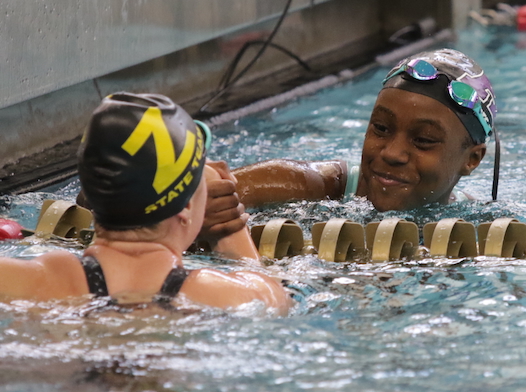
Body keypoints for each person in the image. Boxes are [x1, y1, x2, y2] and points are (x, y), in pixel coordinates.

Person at [0, 93, 291, 315]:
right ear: (187, 207)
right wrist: (231, 230)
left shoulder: (33, 279)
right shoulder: (216, 293)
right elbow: (275, 295)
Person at [201, 48, 498, 237]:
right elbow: (203, 191)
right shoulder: (310, 186)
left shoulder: (480, 227)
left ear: (472, 159)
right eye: (381, 128)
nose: (392, 153)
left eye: (422, 141)